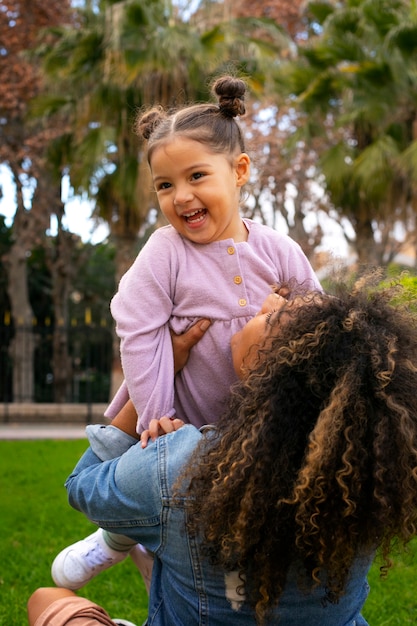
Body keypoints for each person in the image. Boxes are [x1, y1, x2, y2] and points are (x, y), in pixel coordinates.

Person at [51, 74, 321, 590]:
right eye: (165, 185)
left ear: (239, 171)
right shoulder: (165, 252)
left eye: (197, 176)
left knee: (241, 528)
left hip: (264, 422)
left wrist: (287, 315)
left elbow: (321, 320)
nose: (182, 196)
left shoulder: (279, 249)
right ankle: (116, 538)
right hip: (186, 423)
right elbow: (138, 328)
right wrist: (156, 415)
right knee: (173, 527)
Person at [29, 275, 417, 625]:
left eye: (275, 318)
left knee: (46, 598)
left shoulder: (183, 465)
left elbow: (82, 485)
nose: (269, 303)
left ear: (270, 368)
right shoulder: (370, 483)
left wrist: (159, 371)